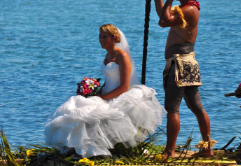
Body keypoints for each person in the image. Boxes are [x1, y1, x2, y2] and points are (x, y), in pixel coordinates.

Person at [44, 24, 166, 158]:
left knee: (89, 112)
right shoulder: (107, 56)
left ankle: (86, 148)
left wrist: (103, 98)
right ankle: (76, 146)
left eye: (105, 37)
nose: (101, 40)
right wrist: (94, 92)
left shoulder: (122, 56)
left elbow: (124, 86)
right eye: (100, 37)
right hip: (105, 93)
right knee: (75, 105)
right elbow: (108, 82)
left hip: (119, 95)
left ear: (114, 38)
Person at [146, 0, 214, 158]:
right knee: (196, 107)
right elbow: (163, 17)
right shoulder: (185, 9)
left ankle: (170, 151)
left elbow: (164, 20)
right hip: (184, 62)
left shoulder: (190, 9)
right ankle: (206, 149)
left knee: (173, 108)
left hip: (180, 64)